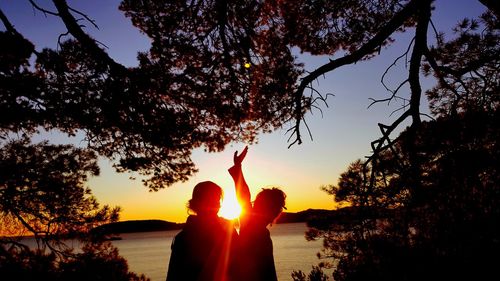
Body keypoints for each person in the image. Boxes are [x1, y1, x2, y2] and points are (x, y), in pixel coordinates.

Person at [229, 147, 287, 281]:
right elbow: (243, 194)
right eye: (278, 207)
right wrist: (238, 167)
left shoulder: (255, 226)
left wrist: (238, 167)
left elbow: (244, 196)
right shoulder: (252, 226)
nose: (278, 211)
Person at [166, 181, 238, 281]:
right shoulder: (183, 239)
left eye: (217, 200)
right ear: (197, 203)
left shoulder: (229, 232)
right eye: (211, 200)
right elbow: (174, 275)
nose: (216, 205)